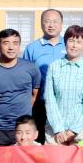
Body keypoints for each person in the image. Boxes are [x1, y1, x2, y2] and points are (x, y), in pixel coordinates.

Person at [0, 28, 41, 147]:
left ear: (19, 46)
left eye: (15, 43)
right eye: (6, 43)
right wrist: (0, 112)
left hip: (23, 128)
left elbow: (34, 95)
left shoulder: (31, 68)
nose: (11, 47)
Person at [44, 25, 83, 146]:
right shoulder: (54, 66)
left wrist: (73, 129)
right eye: (71, 40)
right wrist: (58, 129)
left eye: (79, 42)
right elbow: (49, 99)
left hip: (80, 130)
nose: (74, 45)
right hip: (54, 131)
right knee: (53, 158)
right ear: (65, 42)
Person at [22, 8, 66, 141]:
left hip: (64, 102)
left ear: (61, 24)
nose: (51, 25)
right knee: (39, 140)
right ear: (41, 24)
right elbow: (26, 77)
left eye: (55, 21)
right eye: (47, 21)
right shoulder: (32, 48)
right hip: (40, 102)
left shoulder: (69, 45)